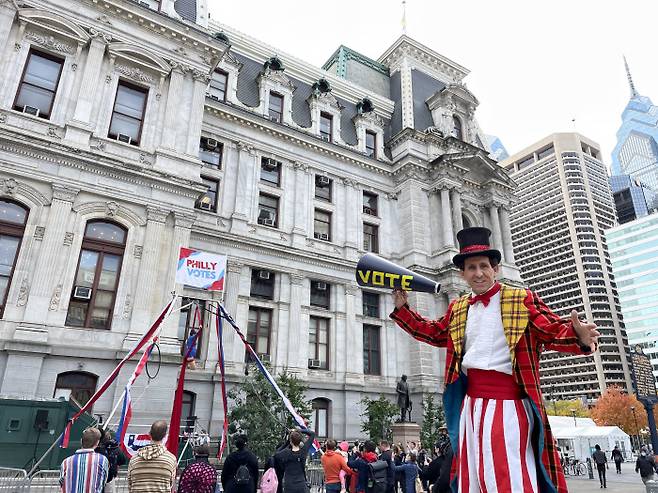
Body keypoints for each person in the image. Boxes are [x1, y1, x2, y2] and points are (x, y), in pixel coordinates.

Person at [391, 226, 599, 493]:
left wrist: (579, 336)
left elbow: (552, 330)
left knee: (509, 475)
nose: (478, 273)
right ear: (463, 273)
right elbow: (434, 332)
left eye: (484, 266)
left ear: (495, 268)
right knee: (473, 475)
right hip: (471, 405)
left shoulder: (520, 299)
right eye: (471, 268)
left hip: (509, 406)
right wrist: (402, 310)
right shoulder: (459, 307)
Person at [127, 420, 177, 493]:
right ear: (165, 436)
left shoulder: (134, 459)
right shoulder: (171, 459)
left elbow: (130, 484)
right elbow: (171, 484)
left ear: (150, 434)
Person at [60, 427, 108, 493]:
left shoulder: (66, 462)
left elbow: (62, 483)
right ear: (97, 442)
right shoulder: (102, 460)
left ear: (81, 441)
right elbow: (103, 482)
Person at [274, 428, 317, 493]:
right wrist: (298, 430)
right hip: (301, 484)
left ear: (291, 441)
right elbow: (312, 434)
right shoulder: (303, 451)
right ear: (300, 441)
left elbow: (276, 454)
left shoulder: (286, 452)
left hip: (289, 485)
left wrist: (287, 442)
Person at [95, 428, 126, 493]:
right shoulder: (113, 447)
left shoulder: (95, 449)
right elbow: (122, 460)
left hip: (95, 478)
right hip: (109, 479)